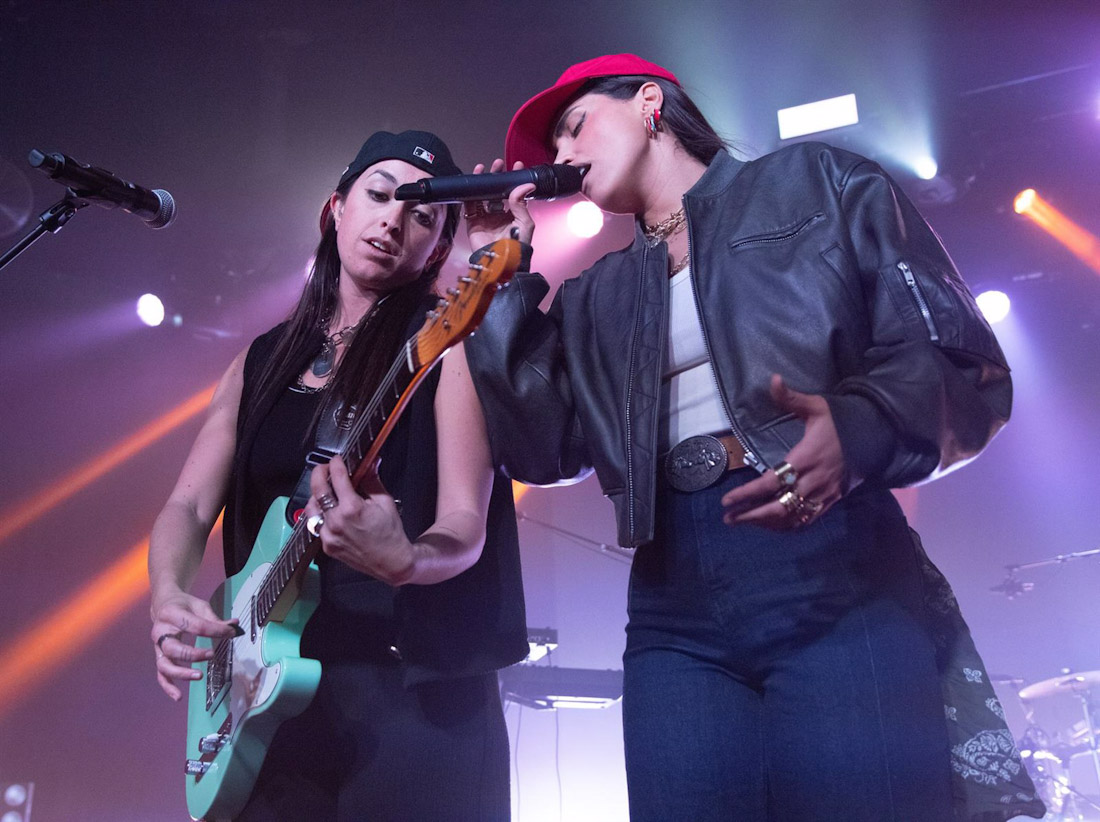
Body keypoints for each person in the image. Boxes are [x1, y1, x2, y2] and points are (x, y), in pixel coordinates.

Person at [463, 54, 1045, 821]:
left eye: (573, 127)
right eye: (552, 153)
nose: (560, 158)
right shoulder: (595, 293)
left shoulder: (820, 184)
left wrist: (858, 424)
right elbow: (543, 450)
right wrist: (499, 278)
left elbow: (960, 360)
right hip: (673, 599)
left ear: (648, 103)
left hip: (833, 565)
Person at [148, 130, 527, 820]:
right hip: (265, 694)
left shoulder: (446, 343)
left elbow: (466, 529)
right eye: (379, 195)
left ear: (439, 246)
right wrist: (167, 595)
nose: (393, 219)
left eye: (421, 214)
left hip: (412, 697)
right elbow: (187, 503)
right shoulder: (261, 360)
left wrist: (408, 559)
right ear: (336, 208)